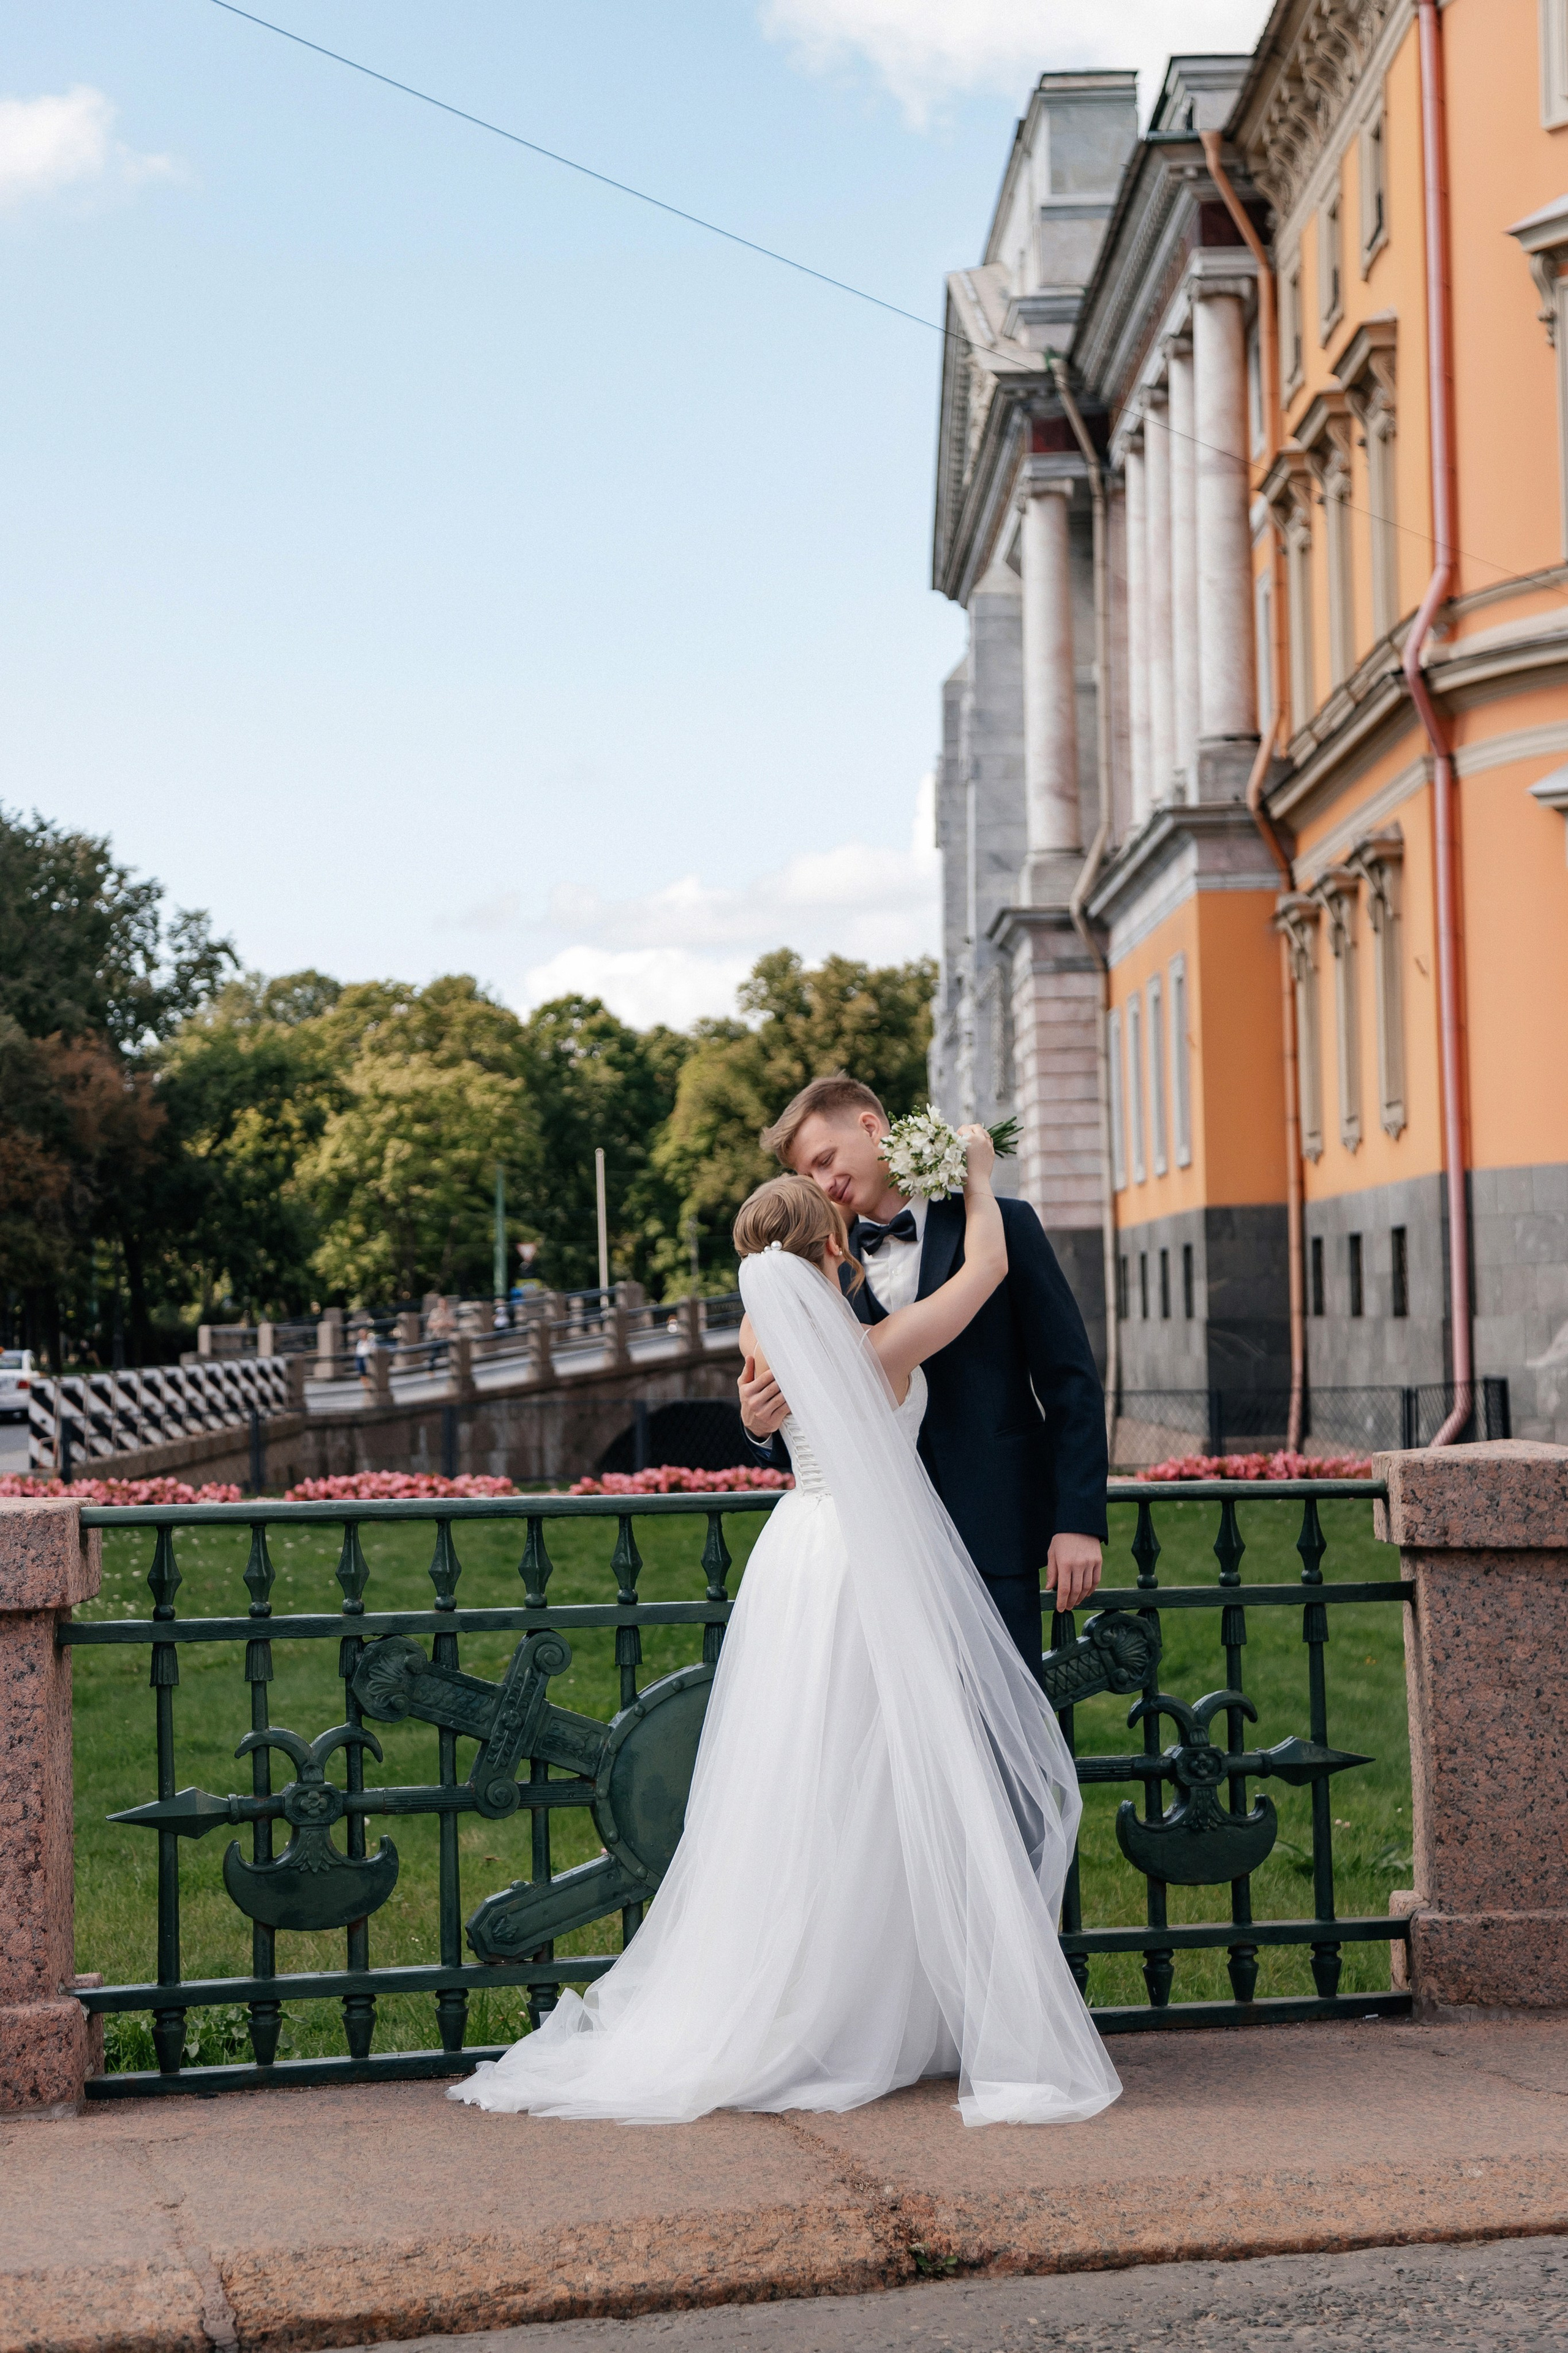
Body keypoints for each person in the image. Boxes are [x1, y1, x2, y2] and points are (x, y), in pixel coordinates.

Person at [450, 1130, 1120, 2128]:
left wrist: (759, 1419)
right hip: (865, 1565)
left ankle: (810, 1995)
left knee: (801, 1778)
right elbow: (985, 1269)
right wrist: (980, 1175)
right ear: (833, 1251)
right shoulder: (871, 1345)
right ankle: (878, 2004)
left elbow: (776, 1416)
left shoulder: (761, 1346)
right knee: (878, 1779)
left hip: (795, 1559)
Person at [741, 1073, 1107, 1674]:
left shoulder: (1003, 1223)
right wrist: (757, 1426)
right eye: (809, 1174)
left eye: (825, 1159)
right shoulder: (812, 1263)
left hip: (994, 1530)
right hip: (874, 1554)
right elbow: (809, 1430)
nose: (823, 1183)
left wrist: (1078, 1519)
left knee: (1001, 1731)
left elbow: (1069, 1378)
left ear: (870, 1125)